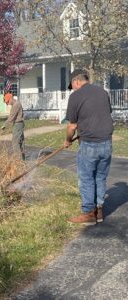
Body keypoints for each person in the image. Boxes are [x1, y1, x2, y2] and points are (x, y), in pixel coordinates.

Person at [64, 69, 113, 225]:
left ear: (75, 81)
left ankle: (88, 213)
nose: (72, 88)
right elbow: (103, 114)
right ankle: (98, 211)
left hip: (89, 144)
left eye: (72, 85)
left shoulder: (75, 96)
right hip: (106, 142)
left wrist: (67, 141)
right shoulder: (103, 93)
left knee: (86, 179)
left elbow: (72, 126)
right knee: (100, 177)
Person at [1, 92, 25, 160]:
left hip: (18, 124)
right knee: (20, 141)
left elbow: (11, 117)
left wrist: (4, 125)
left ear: (11, 99)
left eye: (7, 101)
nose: (7, 103)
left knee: (15, 142)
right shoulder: (16, 104)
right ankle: (22, 159)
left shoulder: (16, 105)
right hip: (18, 124)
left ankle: (19, 160)